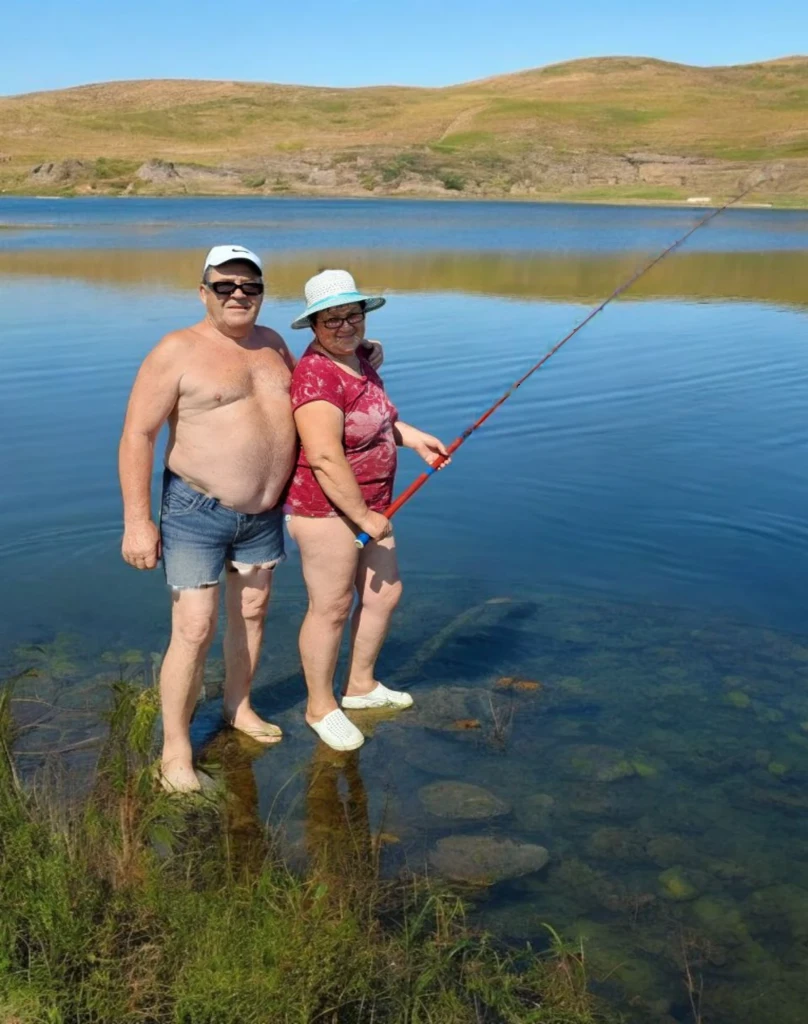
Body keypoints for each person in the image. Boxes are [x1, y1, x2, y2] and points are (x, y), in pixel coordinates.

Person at [119, 246, 382, 793]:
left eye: (251, 287)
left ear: (262, 294)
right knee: (193, 629)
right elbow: (137, 436)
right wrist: (138, 522)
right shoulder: (176, 351)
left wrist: (361, 354)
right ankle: (175, 751)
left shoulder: (275, 345)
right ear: (204, 292)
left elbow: (317, 384)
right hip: (196, 509)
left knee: (255, 614)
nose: (239, 295)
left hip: (263, 514)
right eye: (226, 286)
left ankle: (238, 707)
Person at [284, 269, 448, 752]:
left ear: (362, 315)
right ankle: (320, 707)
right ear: (313, 325)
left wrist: (416, 439)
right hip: (327, 511)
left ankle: (359, 687)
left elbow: (379, 422)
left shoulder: (360, 361)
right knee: (331, 608)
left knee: (384, 594)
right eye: (330, 319)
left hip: (374, 504)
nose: (343, 326)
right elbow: (324, 455)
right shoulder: (316, 375)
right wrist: (363, 516)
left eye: (350, 315)